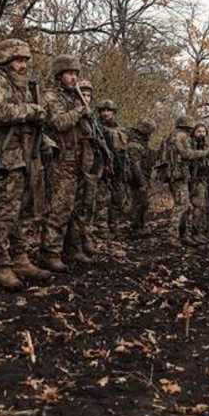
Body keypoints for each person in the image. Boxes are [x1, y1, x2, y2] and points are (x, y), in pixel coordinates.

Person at [0, 39, 52, 291]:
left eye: (25, 61)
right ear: (5, 61)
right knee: (5, 212)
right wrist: (32, 110)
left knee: (21, 212)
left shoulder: (21, 86)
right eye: (18, 60)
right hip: (5, 155)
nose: (22, 65)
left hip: (25, 155)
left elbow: (31, 120)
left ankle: (19, 258)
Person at [41, 55, 92, 271]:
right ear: (59, 75)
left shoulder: (73, 98)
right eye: (69, 74)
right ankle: (49, 252)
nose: (73, 78)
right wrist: (81, 110)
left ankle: (71, 249)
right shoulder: (51, 97)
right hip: (60, 161)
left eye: (76, 74)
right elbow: (59, 123)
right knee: (59, 208)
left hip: (77, 161)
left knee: (73, 208)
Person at [64, 80, 100, 262]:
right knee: (70, 208)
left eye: (88, 95)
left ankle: (83, 240)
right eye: (82, 95)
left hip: (87, 167)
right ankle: (73, 247)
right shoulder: (74, 114)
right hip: (69, 166)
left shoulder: (91, 119)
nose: (85, 98)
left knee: (86, 205)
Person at [163, 116, 209, 245]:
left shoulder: (171, 136)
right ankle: (172, 236)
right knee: (182, 206)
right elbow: (186, 154)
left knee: (186, 206)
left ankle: (183, 235)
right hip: (178, 175)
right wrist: (204, 153)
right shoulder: (181, 136)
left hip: (175, 174)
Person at [95, 99, 128, 236]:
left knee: (118, 199)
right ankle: (102, 229)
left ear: (114, 112)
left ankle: (114, 225)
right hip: (103, 168)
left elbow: (124, 151)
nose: (106, 113)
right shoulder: (97, 127)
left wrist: (126, 168)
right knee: (103, 200)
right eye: (103, 110)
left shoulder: (120, 129)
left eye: (109, 110)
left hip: (118, 168)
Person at [125, 118, 157, 233]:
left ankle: (139, 225)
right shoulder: (134, 144)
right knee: (140, 203)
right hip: (137, 179)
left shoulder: (142, 143)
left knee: (142, 203)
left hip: (142, 177)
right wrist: (142, 183)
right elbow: (135, 166)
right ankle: (136, 227)